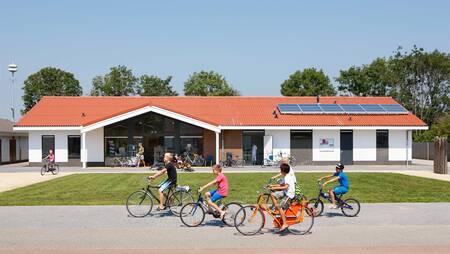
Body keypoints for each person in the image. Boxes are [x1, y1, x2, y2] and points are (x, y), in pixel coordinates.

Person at [268, 163, 296, 231]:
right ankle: (277, 208)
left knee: (280, 207)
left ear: (283, 171)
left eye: (281, 171)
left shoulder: (288, 177)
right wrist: (273, 186)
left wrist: (275, 187)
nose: (280, 172)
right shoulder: (286, 176)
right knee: (273, 194)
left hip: (289, 195)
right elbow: (282, 185)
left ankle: (285, 223)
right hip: (285, 192)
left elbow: (285, 187)